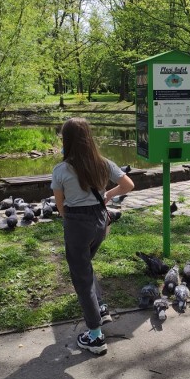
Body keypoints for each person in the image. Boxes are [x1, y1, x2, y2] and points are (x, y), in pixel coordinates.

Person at [51, 118, 134, 355]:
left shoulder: (61, 170)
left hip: (77, 224)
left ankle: (95, 336)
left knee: (81, 277)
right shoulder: (103, 163)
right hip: (100, 221)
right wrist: (107, 195)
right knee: (85, 266)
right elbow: (128, 184)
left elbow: (61, 208)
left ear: (66, 140)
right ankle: (100, 307)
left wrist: (75, 219)